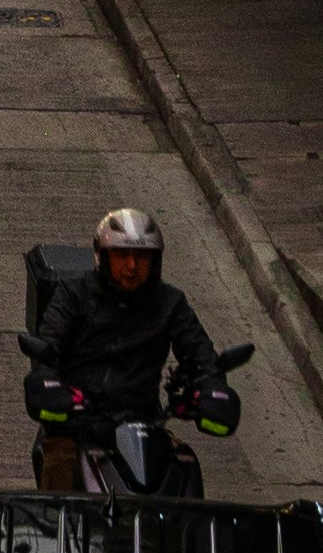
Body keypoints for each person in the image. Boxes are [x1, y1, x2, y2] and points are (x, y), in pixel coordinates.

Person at [24, 206, 229, 490]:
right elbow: (49, 342)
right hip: (80, 422)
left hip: (142, 426)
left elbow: (200, 352)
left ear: (155, 261)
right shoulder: (74, 295)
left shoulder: (170, 303)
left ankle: (188, 534)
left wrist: (212, 387)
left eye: (141, 257)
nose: (132, 266)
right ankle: (62, 534)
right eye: (122, 256)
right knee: (59, 465)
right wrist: (48, 381)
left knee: (185, 465)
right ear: (103, 257)